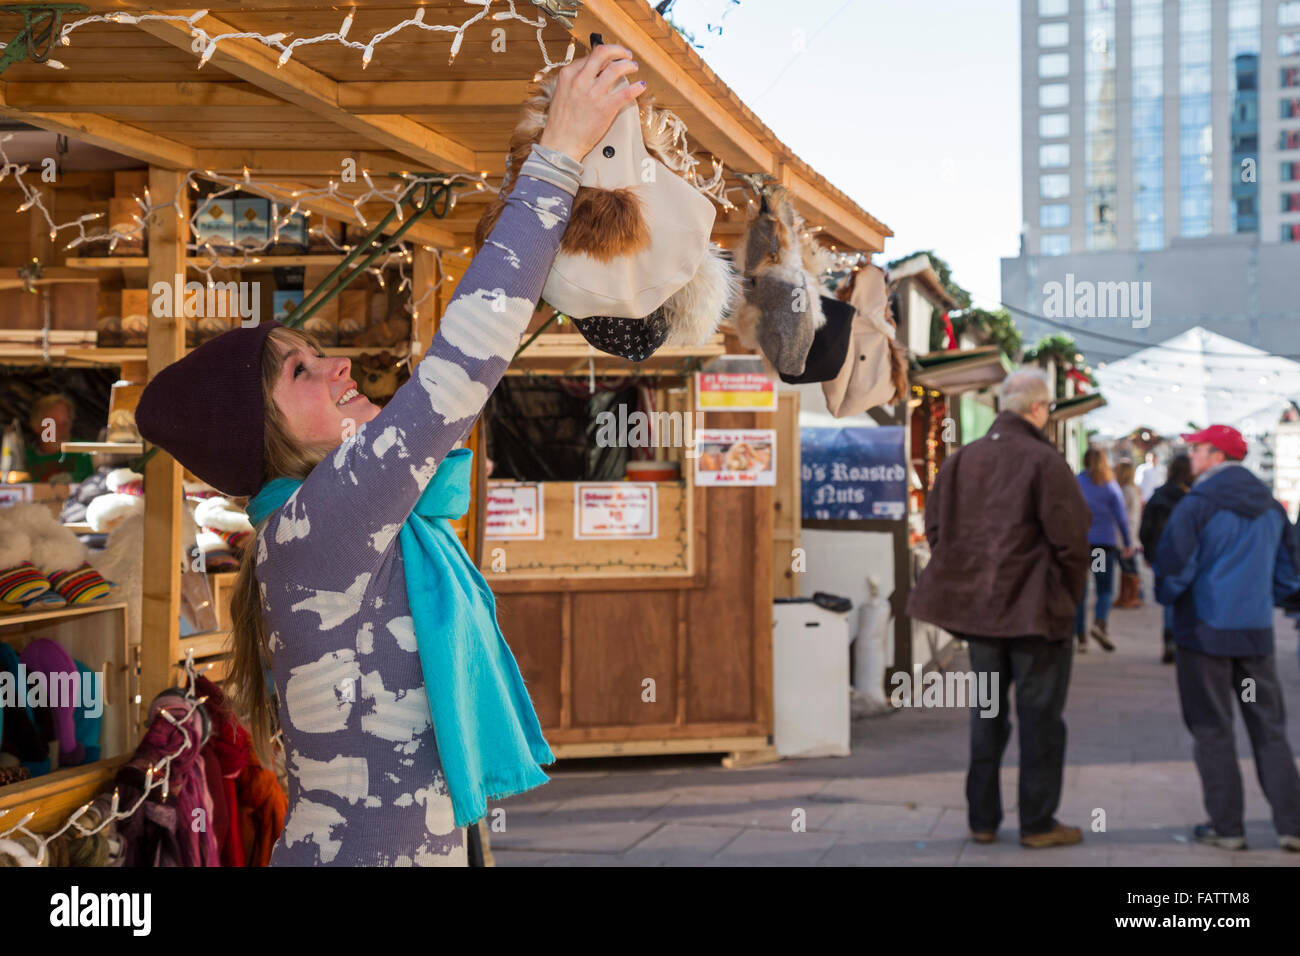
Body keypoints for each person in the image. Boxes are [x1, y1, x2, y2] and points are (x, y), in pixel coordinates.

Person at [134, 46, 646, 867]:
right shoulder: (319, 522)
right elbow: (468, 358)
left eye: (318, 351)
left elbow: (484, 352)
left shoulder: (336, 522)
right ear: (265, 438)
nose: (338, 365)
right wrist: (555, 157)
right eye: (301, 370)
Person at [906, 369, 1091, 849]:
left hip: (981, 617)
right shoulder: (1045, 461)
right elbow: (1072, 543)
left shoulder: (962, 459)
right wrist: (1066, 598)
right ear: (1037, 409)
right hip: (1036, 616)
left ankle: (982, 821)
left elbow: (937, 532)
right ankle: (1037, 824)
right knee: (1040, 720)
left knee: (985, 717)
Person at [1155, 424, 1300, 851]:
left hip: (1204, 640)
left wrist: (1170, 603)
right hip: (1254, 641)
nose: (1191, 457)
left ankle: (1228, 828)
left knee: (1212, 728)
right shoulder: (1271, 507)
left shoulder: (1197, 504)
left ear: (1217, 456)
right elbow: (1289, 576)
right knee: (1268, 728)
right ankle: (1292, 826)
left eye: (1197, 449)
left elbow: (1173, 569)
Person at [1072, 448, 1134, 652]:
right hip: (1101, 547)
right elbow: (1122, 518)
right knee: (1103, 589)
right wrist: (1127, 542)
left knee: (1080, 590)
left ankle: (1080, 635)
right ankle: (1099, 623)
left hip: (1081, 544)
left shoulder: (1077, 482)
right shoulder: (1109, 484)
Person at [1138, 453, 1192, 664]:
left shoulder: (1160, 495)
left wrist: (1149, 553)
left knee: (1169, 598)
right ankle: (1183, 640)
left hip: (1164, 553)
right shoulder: (1194, 496)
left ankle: (1170, 639)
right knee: (1188, 597)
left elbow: (1146, 527)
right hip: (1188, 553)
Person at [23, 393, 93, 484]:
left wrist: (75, 480)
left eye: (65, 423)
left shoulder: (87, 451)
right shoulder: (24, 458)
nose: (61, 429)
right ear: (37, 425)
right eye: (53, 423)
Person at [1112, 458, 1143, 609]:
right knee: (1127, 566)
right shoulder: (1131, 489)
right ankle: (1126, 596)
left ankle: (1132, 597)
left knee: (1128, 566)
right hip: (1127, 534)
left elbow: (1120, 514)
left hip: (1125, 535)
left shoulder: (1126, 490)